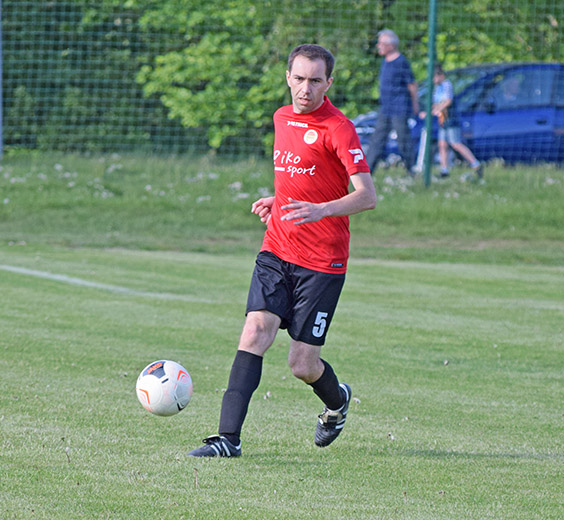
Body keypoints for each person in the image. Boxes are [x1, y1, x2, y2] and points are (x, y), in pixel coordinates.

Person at [188, 44, 377, 458]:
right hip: (277, 247)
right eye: (299, 78)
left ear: (329, 83)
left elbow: (366, 196)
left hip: (323, 261)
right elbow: (299, 174)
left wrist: (320, 209)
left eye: (315, 80)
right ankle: (227, 439)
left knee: (302, 365)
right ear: (287, 77)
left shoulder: (339, 128)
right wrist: (280, 200)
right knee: (255, 331)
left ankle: (336, 401)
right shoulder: (281, 117)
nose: (305, 89)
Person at [366, 29, 419, 176]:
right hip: (385, 108)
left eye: (381, 43)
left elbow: (412, 85)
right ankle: (367, 172)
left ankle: (411, 169)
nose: (378, 46)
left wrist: (415, 105)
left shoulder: (401, 62)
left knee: (403, 139)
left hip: (399, 108)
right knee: (377, 139)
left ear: (391, 45)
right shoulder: (385, 61)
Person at [420, 64, 482, 179]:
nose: (433, 80)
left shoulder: (446, 85)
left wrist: (435, 111)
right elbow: (436, 103)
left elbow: (448, 101)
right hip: (442, 120)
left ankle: (476, 164)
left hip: (451, 119)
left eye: (434, 77)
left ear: (440, 75)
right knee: (442, 144)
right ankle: (444, 170)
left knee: (455, 143)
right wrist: (429, 111)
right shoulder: (437, 88)